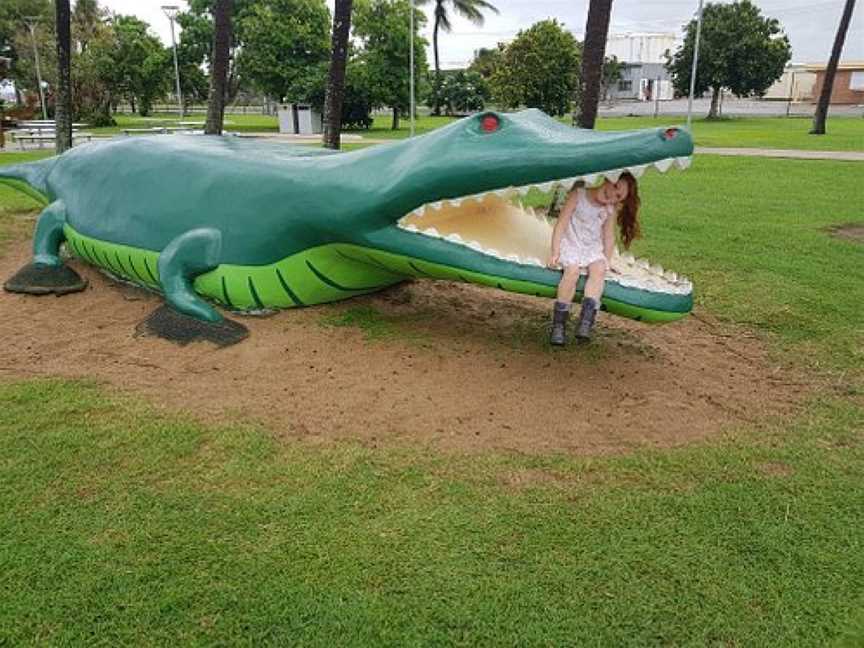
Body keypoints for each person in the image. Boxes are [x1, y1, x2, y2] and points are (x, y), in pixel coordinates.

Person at [547, 172, 640, 345]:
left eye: (618, 196)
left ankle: (586, 321)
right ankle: (558, 325)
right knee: (572, 272)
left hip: (591, 248)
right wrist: (555, 252)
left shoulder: (608, 209)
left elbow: (608, 236)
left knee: (598, 269)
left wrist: (607, 260)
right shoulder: (578, 195)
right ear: (608, 178)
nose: (612, 194)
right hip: (572, 244)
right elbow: (561, 223)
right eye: (615, 187)